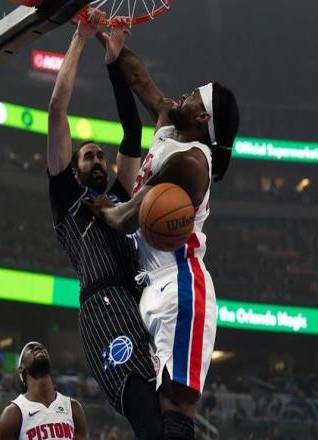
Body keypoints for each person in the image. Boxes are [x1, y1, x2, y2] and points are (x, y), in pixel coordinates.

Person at [86, 37, 239, 439]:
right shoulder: (170, 121)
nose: (184, 94)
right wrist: (109, 40)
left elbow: (125, 218)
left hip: (182, 284)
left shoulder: (193, 163)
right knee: (153, 409)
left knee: (177, 405)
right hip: (151, 285)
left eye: (194, 96)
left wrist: (103, 208)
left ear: (202, 117)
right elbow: (139, 78)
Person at [45, 13, 163, 439]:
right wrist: (81, 38)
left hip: (140, 302)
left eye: (100, 155)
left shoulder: (118, 195)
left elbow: (132, 130)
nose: (97, 159)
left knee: (170, 415)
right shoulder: (68, 200)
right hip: (103, 309)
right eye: (88, 156)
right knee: (146, 414)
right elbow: (57, 111)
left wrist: (114, 59)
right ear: (75, 169)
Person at [0, 342, 87, 440]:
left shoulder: (73, 407)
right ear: (21, 368)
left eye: (42, 348)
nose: (37, 347)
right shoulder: (13, 413)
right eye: (30, 348)